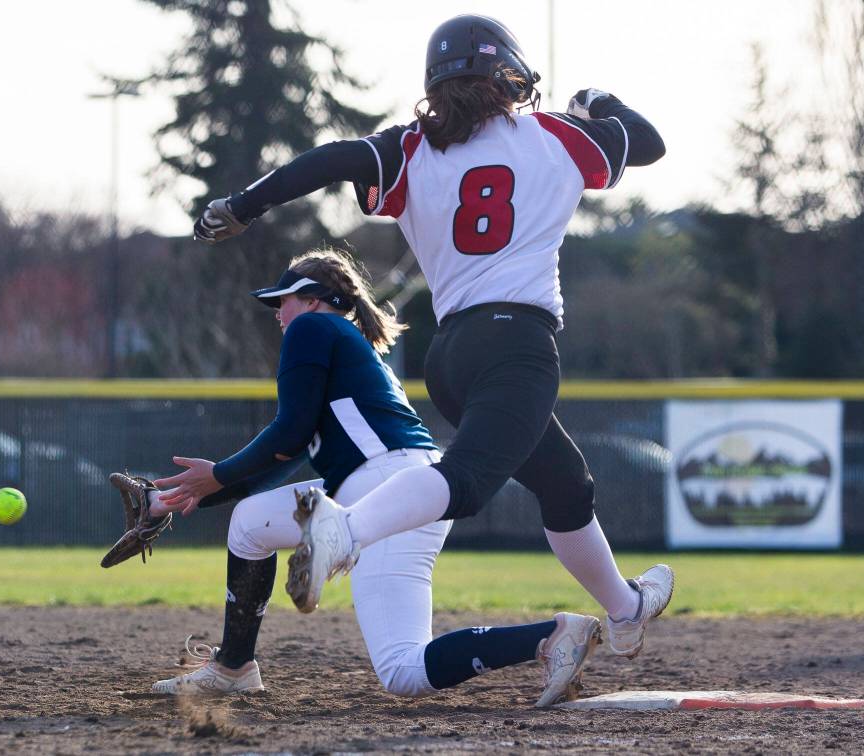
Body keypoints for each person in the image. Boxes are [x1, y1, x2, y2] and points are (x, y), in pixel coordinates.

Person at [193, 14, 673, 660]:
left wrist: (245, 205)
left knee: (566, 485)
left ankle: (624, 609)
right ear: (509, 73)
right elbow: (648, 143)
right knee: (467, 481)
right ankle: (347, 531)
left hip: (451, 358)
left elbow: (330, 159)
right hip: (518, 343)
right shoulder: (555, 135)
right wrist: (597, 104)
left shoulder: (411, 148)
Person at [146, 247, 602, 707]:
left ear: (312, 298)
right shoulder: (342, 342)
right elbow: (286, 455)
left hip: (382, 485)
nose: (278, 312)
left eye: (283, 299)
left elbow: (290, 431)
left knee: (404, 671)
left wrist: (218, 473)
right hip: (389, 483)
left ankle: (552, 636)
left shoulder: (312, 326)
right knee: (248, 523)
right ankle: (234, 666)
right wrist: (186, 497)